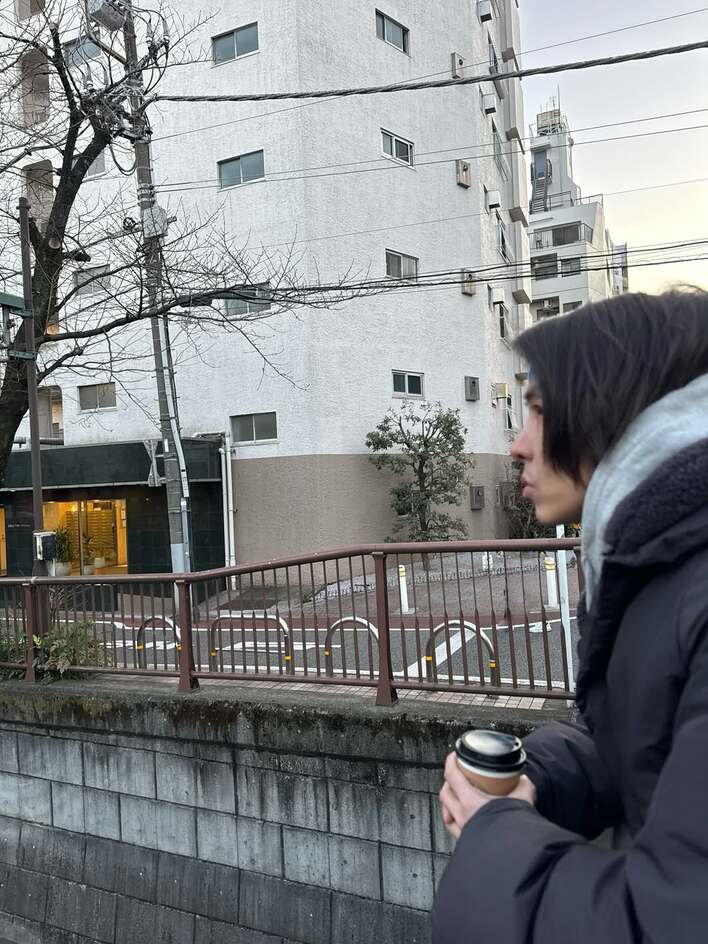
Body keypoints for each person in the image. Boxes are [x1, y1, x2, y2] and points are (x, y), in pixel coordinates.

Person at [433, 290, 708, 943]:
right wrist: (538, 777)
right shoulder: (664, 565)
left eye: (538, 411)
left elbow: (673, 920)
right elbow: (649, 747)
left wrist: (494, 840)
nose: (517, 446)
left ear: (613, 409)